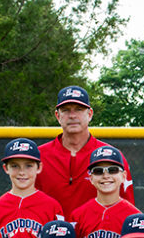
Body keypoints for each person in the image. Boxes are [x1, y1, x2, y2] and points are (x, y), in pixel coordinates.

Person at [37, 85, 135, 216]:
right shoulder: (39, 156)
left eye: (79, 109)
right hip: (51, 235)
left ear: (89, 114)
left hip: (97, 234)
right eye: (66, 110)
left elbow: (127, 209)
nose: (72, 115)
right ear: (57, 116)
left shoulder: (112, 156)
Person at [70, 146, 140, 238]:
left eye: (112, 170)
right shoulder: (77, 215)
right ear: (90, 178)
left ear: (123, 176)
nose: (106, 176)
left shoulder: (134, 216)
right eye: (98, 171)